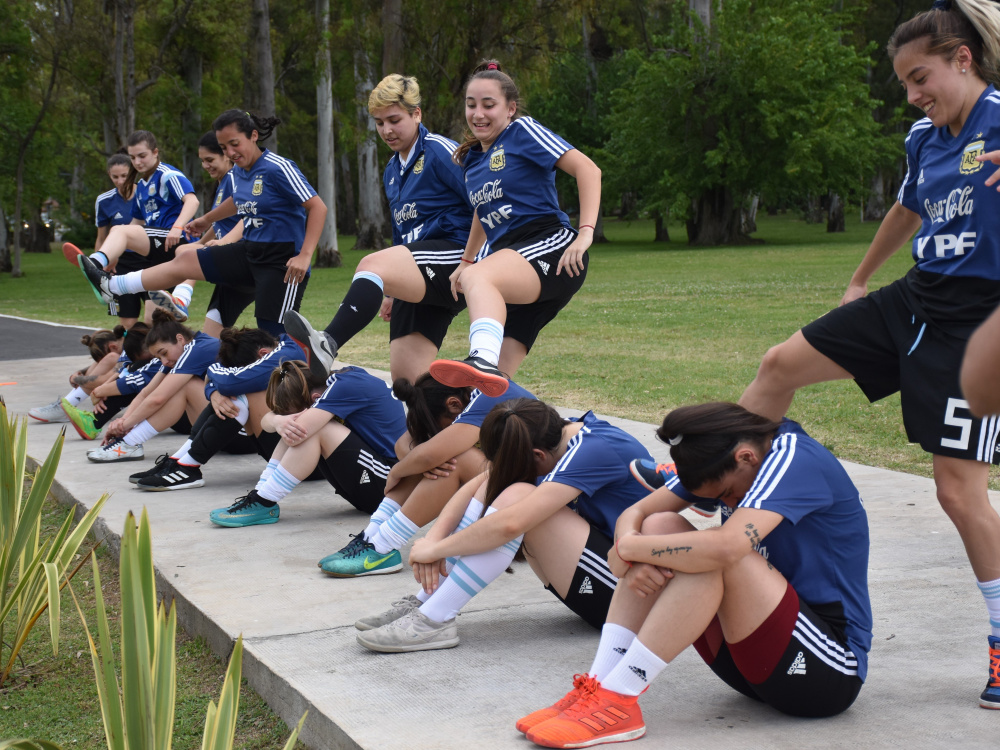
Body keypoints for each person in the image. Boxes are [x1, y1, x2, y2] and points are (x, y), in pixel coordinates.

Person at [738, 0, 1000, 710]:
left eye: (922, 77)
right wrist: (860, 278)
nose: (913, 95)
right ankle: (727, 515)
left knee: (956, 490)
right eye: (906, 84)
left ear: (962, 60)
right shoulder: (926, 136)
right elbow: (909, 208)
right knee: (777, 366)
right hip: (916, 299)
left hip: (983, 325)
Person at [519, 403, 872, 749]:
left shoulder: (795, 459)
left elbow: (726, 548)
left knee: (716, 554)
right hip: (753, 655)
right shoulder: (723, 452)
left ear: (747, 458)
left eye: (728, 494)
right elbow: (639, 511)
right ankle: (599, 684)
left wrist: (631, 552)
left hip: (826, 671)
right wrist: (630, 542)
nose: (732, 502)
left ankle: (620, 696)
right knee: (660, 525)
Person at [355, 398, 653, 653]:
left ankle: (435, 618)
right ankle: (428, 603)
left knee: (517, 496)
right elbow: (480, 483)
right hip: (603, 578)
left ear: (537, 455)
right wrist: (432, 539)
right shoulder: (553, 434)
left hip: (630, 601)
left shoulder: (594, 449)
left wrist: (437, 549)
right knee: (502, 487)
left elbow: (511, 524)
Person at [427, 60, 602, 397]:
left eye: (488, 105)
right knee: (487, 392)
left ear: (510, 109)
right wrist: (465, 260)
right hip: (515, 262)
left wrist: (586, 232)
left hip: (551, 247)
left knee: (478, 278)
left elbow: (588, 170)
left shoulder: (522, 132)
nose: (478, 113)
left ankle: (481, 358)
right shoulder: (471, 161)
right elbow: (483, 210)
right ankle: (526, 435)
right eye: (471, 104)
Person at [284, 74, 472, 383]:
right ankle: (460, 425)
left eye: (394, 119)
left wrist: (479, 264)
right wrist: (389, 289)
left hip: (454, 260)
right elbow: (401, 235)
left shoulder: (439, 151)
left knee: (371, 262)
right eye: (379, 122)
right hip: (420, 269)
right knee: (407, 383)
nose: (386, 130)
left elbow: (482, 203)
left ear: (417, 114)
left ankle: (327, 343)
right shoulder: (391, 170)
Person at [76, 110, 327, 338]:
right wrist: (207, 219)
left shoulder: (278, 167)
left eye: (234, 144)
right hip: (250, 250)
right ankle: (112, 285)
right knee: (186, 258)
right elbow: (238, 201)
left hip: (281, 261)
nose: (229, 152)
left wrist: (305, 256)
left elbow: (318, 207)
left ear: (253, 136)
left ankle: (305, 372)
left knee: (272, 336)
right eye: (223, 147)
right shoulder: (239, 171)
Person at [319, 376, 536, 578]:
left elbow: (429, 454)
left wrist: (398, 470)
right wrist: (417, 464)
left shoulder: (488, 396)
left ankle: (384, 545)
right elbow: (404, 444)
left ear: (454, 404)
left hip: (529, 515)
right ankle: (371, 536)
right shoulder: (468, 394)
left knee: (451, 459)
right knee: (429, 461)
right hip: (509, 503)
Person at [209, 361, 407, 528]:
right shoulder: (340, 381)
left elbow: (296, 430)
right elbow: (268, 423)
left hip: (389, 491)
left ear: (315, 399)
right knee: (295, 428)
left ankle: (264, 502)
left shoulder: (346, 386)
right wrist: (279, 421)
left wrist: (282, 423)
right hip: (372, 486)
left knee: (308, 430)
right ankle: (261, 496)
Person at [128, 326, 305, 490]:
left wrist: (212, 383)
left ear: (263, 354)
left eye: (164, 353)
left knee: (241, 393)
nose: (164, 361)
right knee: (231, 392)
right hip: (278, 446)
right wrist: (213, 392)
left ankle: (187, 465)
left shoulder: (287, 353)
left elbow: (228, 381)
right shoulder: (274, 350)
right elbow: (219, 370)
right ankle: (181, 461)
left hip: (299, 460)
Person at [65, 131, 200, 326]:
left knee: (118, 230)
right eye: (133, 157)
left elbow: (192, 201)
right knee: (152, 321)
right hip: (159, 251)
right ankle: (178, 311)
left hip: (177, 240)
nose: (137, 162)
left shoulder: (167, 175)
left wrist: (177, 227)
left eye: (142, 156)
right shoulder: (142, 186)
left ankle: (95, 265)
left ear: (155, 152)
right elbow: (136, 224)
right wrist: (115, 254)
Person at [149, 131, 254, 334]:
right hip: (232, 269)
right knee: (211, 336)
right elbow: (221, 224)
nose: (206, 166)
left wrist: (220, 244)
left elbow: (248, 216)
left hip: (244, 258)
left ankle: (180, 297)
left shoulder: (234, 179)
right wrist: (200, 242)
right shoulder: (223, 183)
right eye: (202, 161)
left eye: (210, 160)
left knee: (187, 255)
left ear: (226, 155)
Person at [87, 310, 219, 462]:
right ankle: (129, 443)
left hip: (238, 434)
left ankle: (130, 443)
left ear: (180, 339)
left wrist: (124, 426)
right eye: (158, 357)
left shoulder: (198, 349)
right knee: (176, 387)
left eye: (164, 353)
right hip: (221, 428)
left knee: (184, 387)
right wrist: (123, 422)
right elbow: (146, 393)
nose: (163, 361)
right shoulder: (177, 356)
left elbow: (157, 398)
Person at [61, 323, 156, 440]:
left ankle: (93, 421)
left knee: (135, 377)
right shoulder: (135, 345)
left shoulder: (155, 356)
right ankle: (92, 419)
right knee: (133, 375)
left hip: (182, 420)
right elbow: (121, 372)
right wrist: (104, 390)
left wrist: (99, 390)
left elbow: (131, 380)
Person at [29, 328, 125, 423]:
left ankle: (67, 406)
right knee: (107, 361)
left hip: (135, 386)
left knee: (112, 357)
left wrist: (77, 379)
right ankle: (67, 404)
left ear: (113, 347)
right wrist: (80, 373)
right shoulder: (124, 345)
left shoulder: (128, 350)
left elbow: (102, 381)